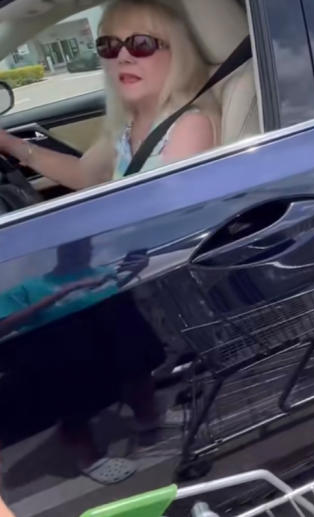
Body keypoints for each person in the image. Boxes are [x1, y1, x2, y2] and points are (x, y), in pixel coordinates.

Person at [0, 239, 172, 485]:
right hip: (54, 344)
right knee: (71, 403)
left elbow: (113, 284)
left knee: (138, 370)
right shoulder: (23, 284)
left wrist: (133, 268)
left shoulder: (100, 268)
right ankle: (89, 459)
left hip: (111, 326)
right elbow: (3, 327)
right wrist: (62, 293)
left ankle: (148, 419)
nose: (83, 249)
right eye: (72, 246)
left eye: (85, 244)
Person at [0, 0, 219, 190]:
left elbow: (171, 220)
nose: (122, 57)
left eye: (141, 44)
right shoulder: (130, 122)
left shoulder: (189, 125)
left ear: (176, 54)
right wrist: (10, 144)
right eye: (110, 46)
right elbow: (85, 174)